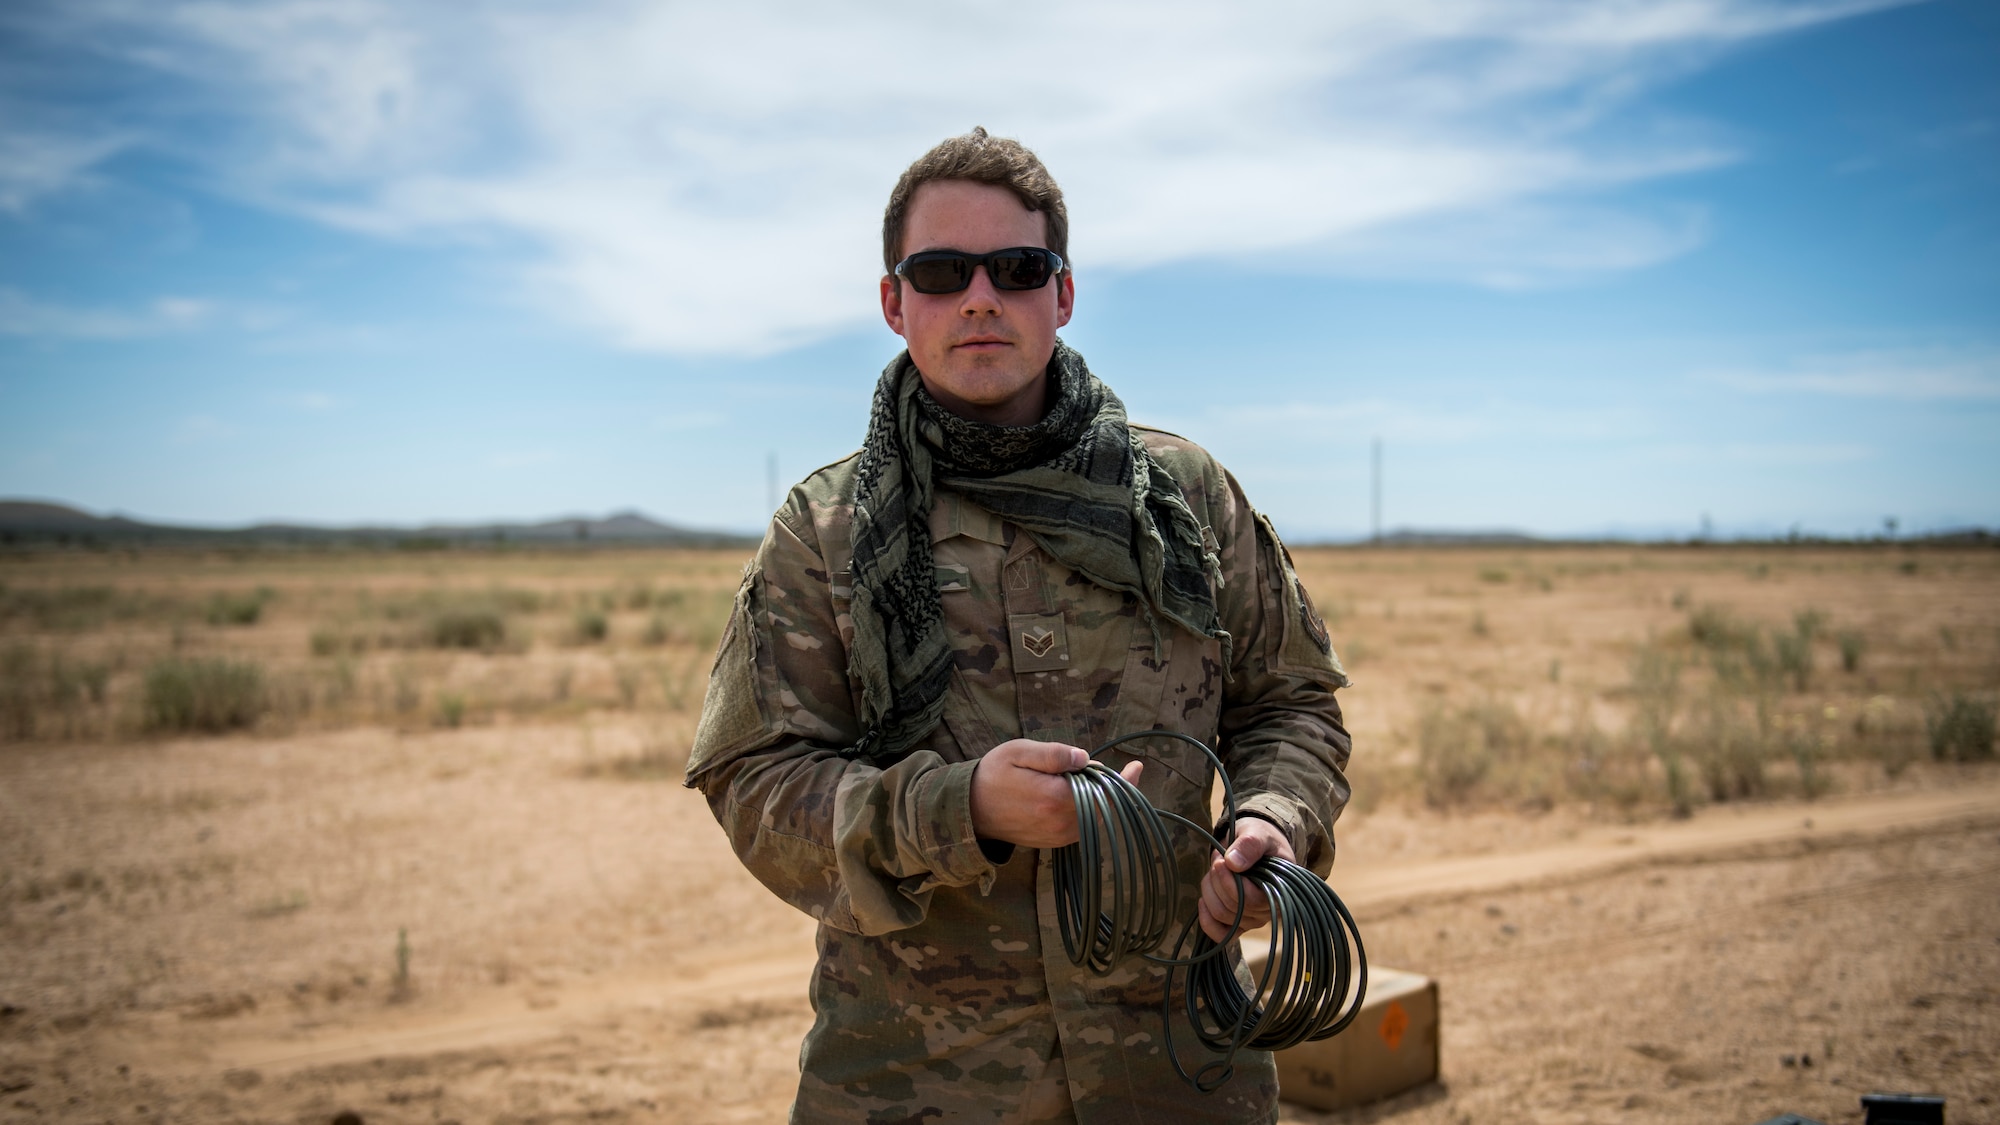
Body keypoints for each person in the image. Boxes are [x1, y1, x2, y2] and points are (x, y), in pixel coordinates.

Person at [686, 127, 1352, 1125]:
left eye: (1016, 268)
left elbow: (1290, 706)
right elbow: (755, 785)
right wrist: (960, 811)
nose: (979, 298)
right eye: (942, 271)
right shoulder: (823, 532)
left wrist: (1271, 824)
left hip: (1177, 1074)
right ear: (892, 303)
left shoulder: (1184, 497)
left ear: (1063, 294)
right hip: (914, 1082)